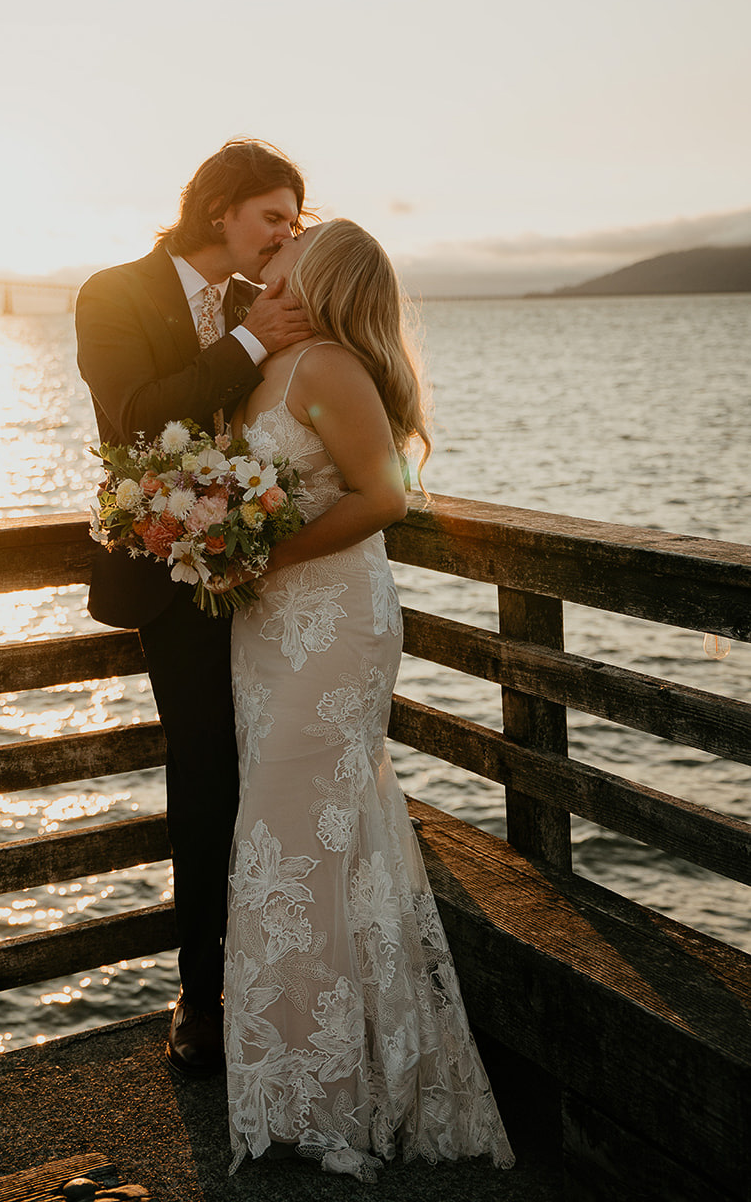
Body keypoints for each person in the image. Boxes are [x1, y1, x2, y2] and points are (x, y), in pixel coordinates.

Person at [224, 219, 514, 1179]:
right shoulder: (269, 362)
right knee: (306, 841)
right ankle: (315, 1072)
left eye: (286, 257)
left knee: (294, 834)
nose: (269, 260)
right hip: (265, 629)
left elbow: (383, 496)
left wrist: (259, 554)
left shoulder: (332, 368)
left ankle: (322, 1095)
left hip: (331, 625)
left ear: (320, 279)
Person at [75, 139, 315, 1079]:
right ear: (221, 209)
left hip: (279, 570)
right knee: (207, 774)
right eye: (271, 218)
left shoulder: (272, 303)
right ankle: (203, 993)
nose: (282, 237)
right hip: (173, 574)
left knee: (285, 763)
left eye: (292, 224)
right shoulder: (114, 293)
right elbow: (135, 414)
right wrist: (255, 344)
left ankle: (295, 971)